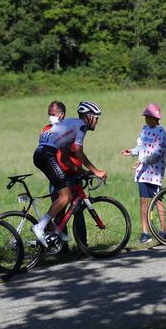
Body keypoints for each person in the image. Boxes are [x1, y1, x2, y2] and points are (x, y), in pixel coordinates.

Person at [32, 101, 107, 247]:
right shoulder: (81, 125)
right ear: (89, 117)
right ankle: (40, 226)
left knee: (63, 195)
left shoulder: (70, 124)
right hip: (47, 155)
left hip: (41, 154)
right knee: (65, 196)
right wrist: (96, 171)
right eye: (96, 118)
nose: (97, 122)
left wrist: (82, 172)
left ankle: (53, 229)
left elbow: (66, 158)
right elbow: (78, 152)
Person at [120, 103, 166, 243]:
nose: (146, 119)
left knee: (158, 200)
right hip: (142, 172)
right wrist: (132, 152)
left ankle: (164, 231)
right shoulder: (144, 129)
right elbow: (140, 147)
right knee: (143, 201)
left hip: (154, 173)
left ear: (156, 118)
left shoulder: (161, 133)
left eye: (149, 116)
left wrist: (143, 160)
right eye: (146, 116)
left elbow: (158, 154)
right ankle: (145, 232)